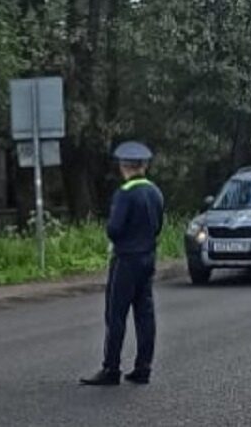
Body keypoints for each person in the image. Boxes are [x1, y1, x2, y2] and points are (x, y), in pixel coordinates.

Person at [81, 141, 164, 386]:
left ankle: (111, 368)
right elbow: (158, 226)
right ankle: (143, 367)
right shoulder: (155, 192)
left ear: (123, 166)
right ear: (144, 166)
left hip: (126, 259)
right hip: (148, 257)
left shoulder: (125, 193)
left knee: (116, 314)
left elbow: (114, 229)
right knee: (144, 313)